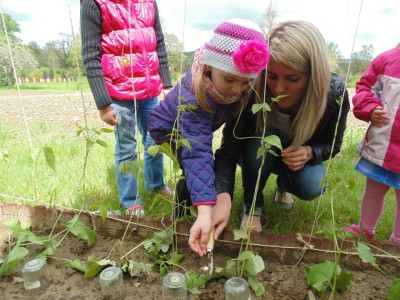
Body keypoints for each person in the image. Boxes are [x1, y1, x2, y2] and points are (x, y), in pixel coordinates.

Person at [212, 20, 350, 235]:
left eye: (293, 78)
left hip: (294, 162)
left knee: (312, 185)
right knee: (262, 136)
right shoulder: (252, 90)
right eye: (271, 76)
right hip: (253, 155)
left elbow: (334, 145)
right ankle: (252, 207)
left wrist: (310, 152)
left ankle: (283, 186)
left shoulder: (334, 94)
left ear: (314, 76)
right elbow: (228, 152)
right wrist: (222, 197)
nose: (278, 88)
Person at [148, 18, 269, 256]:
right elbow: (197, 151)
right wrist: (206, 210)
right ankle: (181, 217)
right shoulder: (194, 94)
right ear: (209, 67)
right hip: (168, 130)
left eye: (245, 82)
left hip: (195, 129)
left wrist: (218, 194)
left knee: (200, 171)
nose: (237, 89)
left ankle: (190, 210)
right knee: (190, 166)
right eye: (230, 80)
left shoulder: (233, 91)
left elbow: (226, 147)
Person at [80, 0, 173, 216]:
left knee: (155, 140)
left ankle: (156, 185)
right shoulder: (95, 3)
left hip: (150, 92)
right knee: (127, 147)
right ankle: (131, 200)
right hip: (120, 94)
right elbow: (90, 55)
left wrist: (166, 83)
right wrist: (103, 104)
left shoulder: (148, 2)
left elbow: (159, 42)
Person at [344, 44, 400, 243]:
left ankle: (398, 241)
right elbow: (365, 88)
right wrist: (370, 108)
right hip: (383, 144)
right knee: (374, 189)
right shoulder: (386, 60)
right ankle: (366, 229)